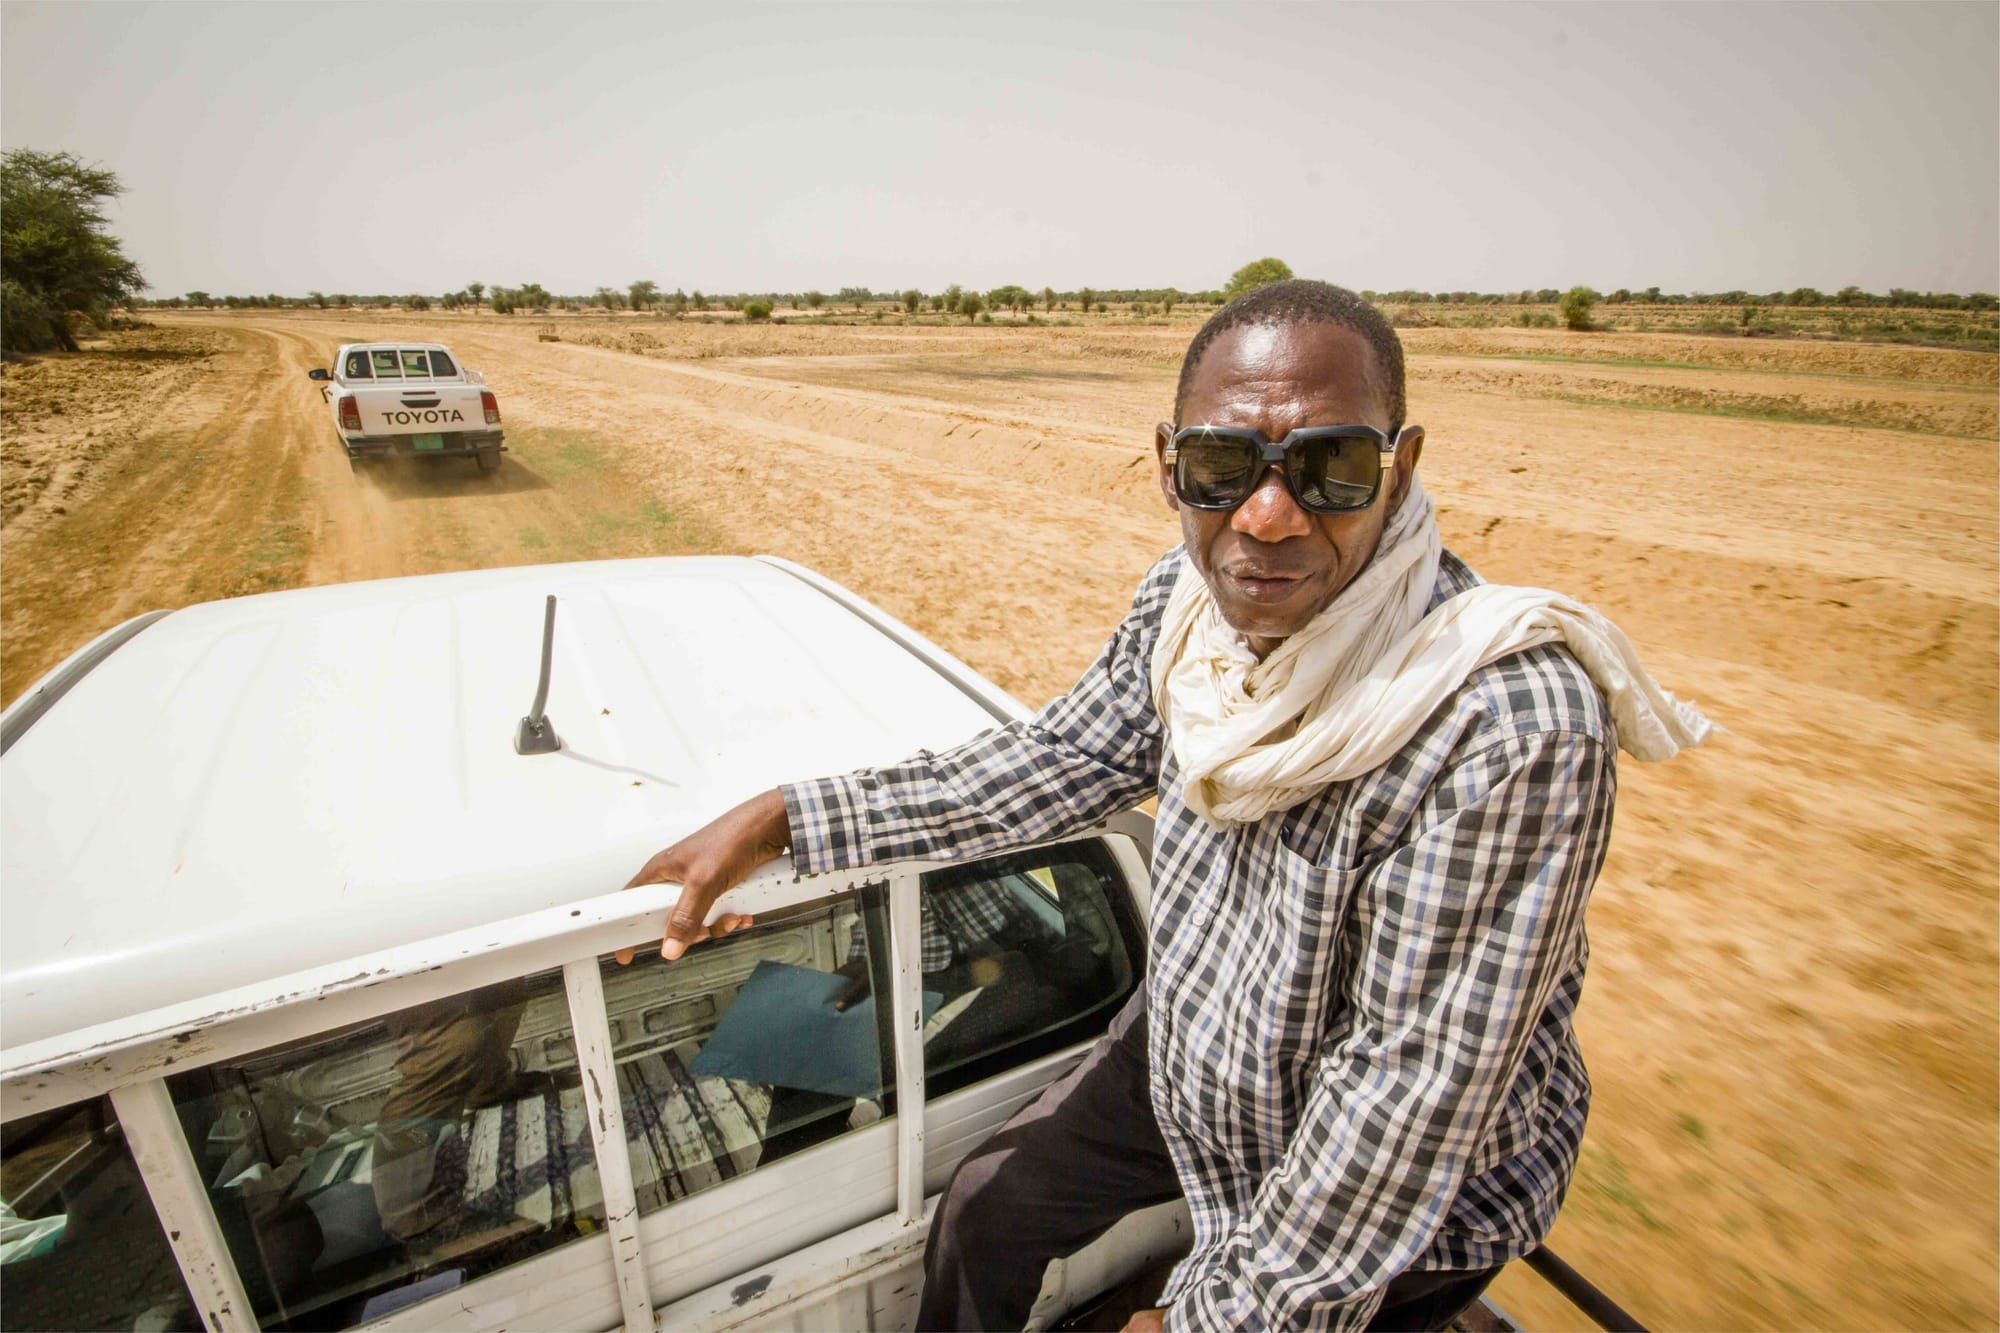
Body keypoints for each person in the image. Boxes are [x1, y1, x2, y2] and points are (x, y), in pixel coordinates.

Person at [623, 281, 1710, 1332]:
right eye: (1221, 464)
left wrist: (1214, 1321)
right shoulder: (1183, 609)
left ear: (1400, 464)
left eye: (1328, 466)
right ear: (1167, 464)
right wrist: (785, 816)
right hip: (1193, 1057)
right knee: (987, 1214)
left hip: (1410, 1202)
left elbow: (1405, 1092)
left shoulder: (1505, 720)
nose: (1268, 516)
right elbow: (1049, 764)